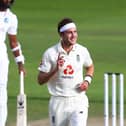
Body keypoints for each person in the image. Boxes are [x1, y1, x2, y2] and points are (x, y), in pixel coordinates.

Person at [37, 17, 94, 126]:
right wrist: (56, 69)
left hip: (78, 100)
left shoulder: (82, 51)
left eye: (75, 32)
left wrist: (87, 81)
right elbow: (40, 80)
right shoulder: (50, 53)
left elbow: (90, 66)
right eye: (69, 33)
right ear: (61, 34)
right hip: (58, 102)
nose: (74, 35)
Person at [0, 0, 25, 126]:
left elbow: (13, 42)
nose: (8, 1)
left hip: (1, 57)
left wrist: (20, 62)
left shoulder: (11, 17)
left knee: (1, 90)